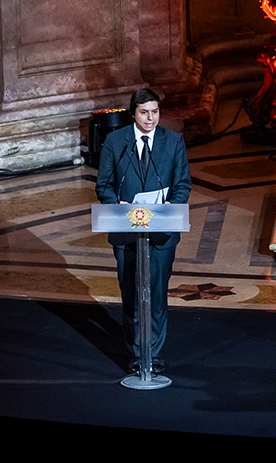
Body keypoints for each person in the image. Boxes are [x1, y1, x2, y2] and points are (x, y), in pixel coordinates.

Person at [95, 88, 192, 374]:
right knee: (133, 295)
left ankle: (154, 353)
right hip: (127, 232)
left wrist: (172, 205)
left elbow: (183, 183)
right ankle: (138, 354)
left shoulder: (173, 141)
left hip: (161, 232)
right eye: (144, 112)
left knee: (157, 295)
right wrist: (117, 205)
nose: (151, 118)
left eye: (155, 112)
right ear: (133, 113)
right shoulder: (116, 141)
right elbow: (104, 185)